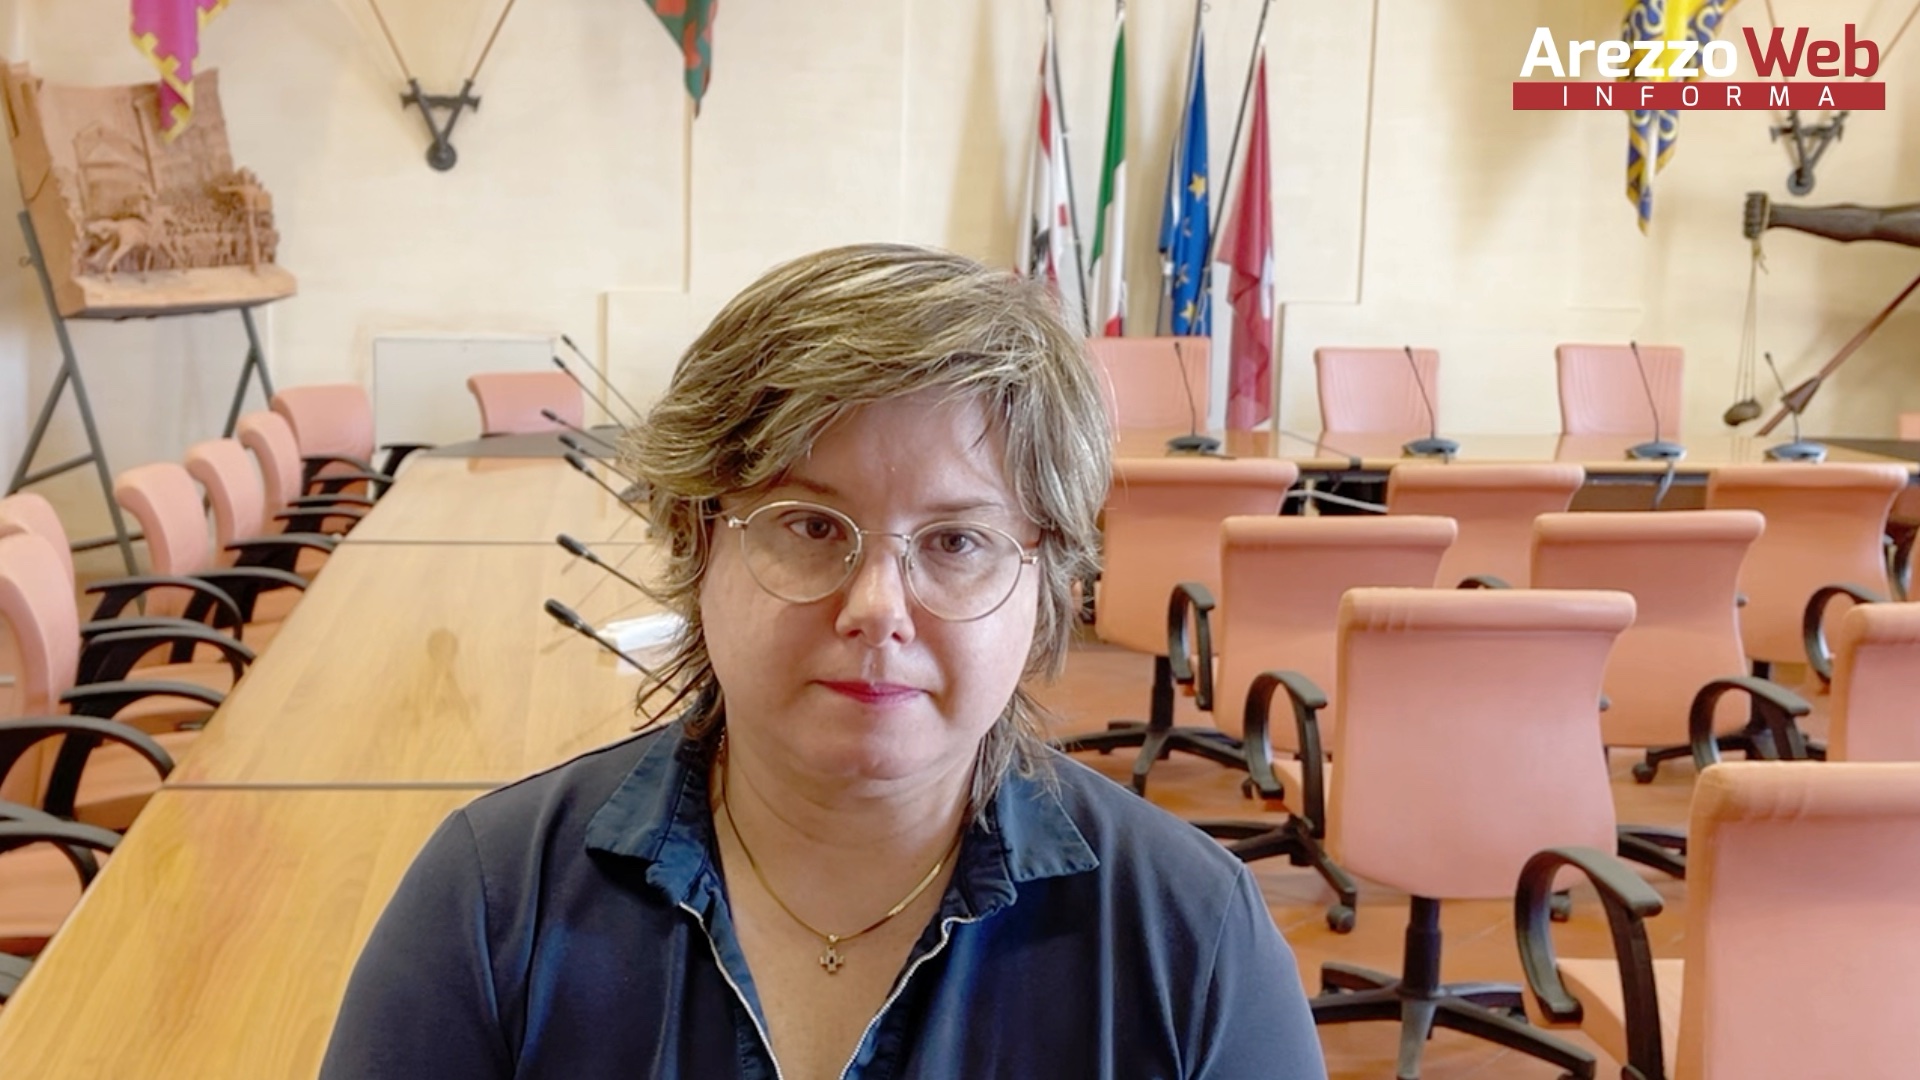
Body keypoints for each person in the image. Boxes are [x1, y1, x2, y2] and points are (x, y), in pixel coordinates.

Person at [319, 244, 1326, 1079]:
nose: (877, 608)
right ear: (697, 541)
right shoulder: (492, 904)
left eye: (957, 541)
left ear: (1048, 580)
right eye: (809, 525)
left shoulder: (1195, 945)